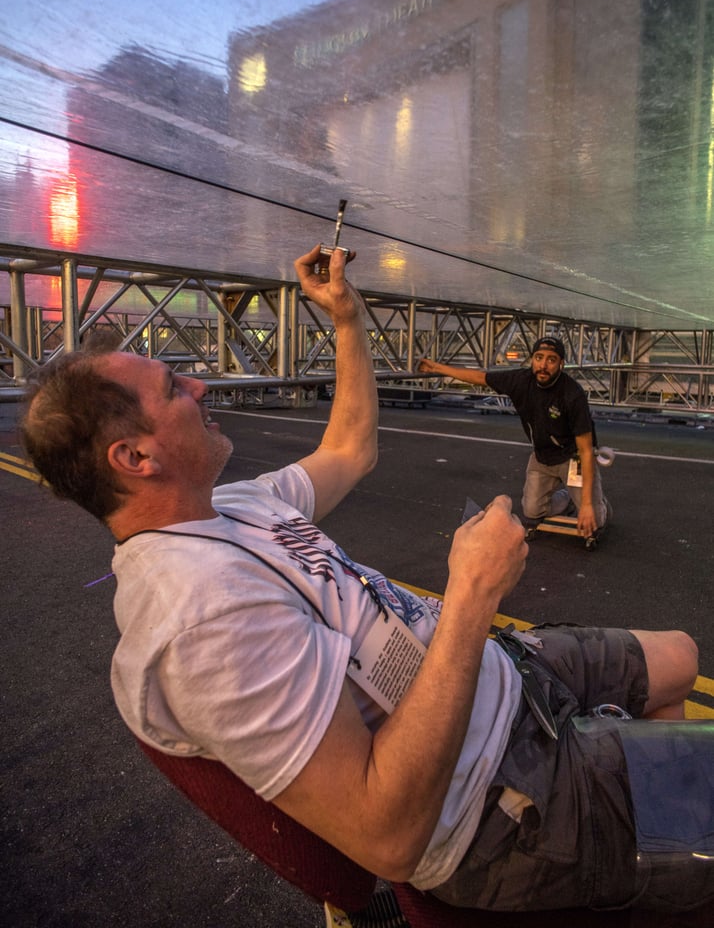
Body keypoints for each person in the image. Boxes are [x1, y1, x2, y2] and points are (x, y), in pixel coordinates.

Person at [19, 246, 711, 913]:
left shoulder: (232, 505)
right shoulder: (201, 619)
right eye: (174, 388)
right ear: (136, 455)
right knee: (696, 792)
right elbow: (388, 835)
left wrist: (346, 318)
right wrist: (472, 593)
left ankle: (657, 847)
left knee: (679, 656)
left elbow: (349, 446)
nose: (199, 384)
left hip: (506, 678)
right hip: (501, 799)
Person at [419, 339, 608, 540]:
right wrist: (438, 367)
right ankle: (570, 499)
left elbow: (586, 450)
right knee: (533, 512)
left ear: (561, 364)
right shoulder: (520, 380)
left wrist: (587, 505)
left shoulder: (572, 394)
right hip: (542, 457)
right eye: (539, 358)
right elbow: (480, 377)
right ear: (532, 360)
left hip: (573, 457)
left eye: (551, 360)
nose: (543, 365)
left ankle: (598, 505)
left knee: (594, 519)